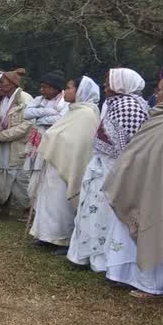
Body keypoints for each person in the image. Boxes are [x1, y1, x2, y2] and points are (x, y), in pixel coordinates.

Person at [102, 73, 163, 298]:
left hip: (159, 186)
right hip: (141, 181)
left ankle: (152, 284)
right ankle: (125, 275)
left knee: (155, 228)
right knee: (130, 230)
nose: (158, 94)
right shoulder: (162, 116)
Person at [67, 68, 149, 271]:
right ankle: (86, 255)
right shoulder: (113, 104)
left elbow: (126, 147)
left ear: (122, 84)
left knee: (105, 212)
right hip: (101, 166)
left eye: (109, 81)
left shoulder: (130, 106)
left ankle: (103, 260)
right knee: (92, 210)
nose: (105, 85)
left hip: (115, 169)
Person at [31, 76, 101, 252]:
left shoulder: (86, 113)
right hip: (55, 161)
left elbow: (78, 142)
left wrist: (52, 138)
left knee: (62, 203)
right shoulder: (73, 110)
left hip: (67, 164)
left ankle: (63, 238)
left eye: (69, 88)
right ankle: (46, 236)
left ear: (81, 91)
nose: (65, 91)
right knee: (49, 201)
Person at [24, 70, 69, 203]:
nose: (41, 90)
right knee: (34, 177)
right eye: (41, 86)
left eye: (45, 87)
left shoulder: (65, 101)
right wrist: (48, 111)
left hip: (54, 144)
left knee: (46, 176)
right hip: (36, 143)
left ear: (55, 88)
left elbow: (61, 119)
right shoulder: (38, 99)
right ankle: (35, 210)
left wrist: (39, 118)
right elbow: (26, 113)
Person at [0, 68, 33, 215]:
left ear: (11, 84)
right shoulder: (3, 100)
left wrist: (3, 135)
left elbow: (28, 124)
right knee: (2, 175)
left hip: (17, 146)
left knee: (20, 179)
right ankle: (4, 206)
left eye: (1, 82)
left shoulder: (24, 98)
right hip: (3, 146)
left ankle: (28, 210)